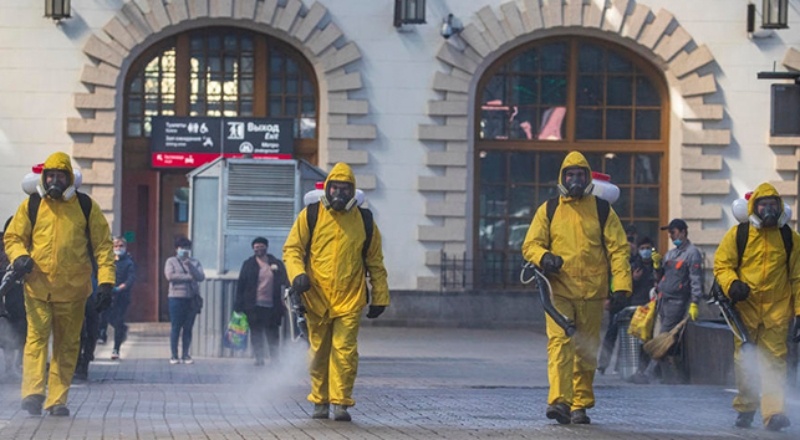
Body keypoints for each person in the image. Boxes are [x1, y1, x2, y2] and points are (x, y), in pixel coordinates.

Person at [522, 151, 632, 425]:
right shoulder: (549, 210)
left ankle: (579, 404)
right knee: (560, 344)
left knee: (586, 349)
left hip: (592, 294)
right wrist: (544, 258)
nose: (574, 180)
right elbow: (530, 244)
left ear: (587, 177)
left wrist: (621, 286)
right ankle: (559, 401)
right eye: (569, 175)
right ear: (562, 177)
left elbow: (618, 249)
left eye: (579, 175)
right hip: (558, 291)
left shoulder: (602, 210)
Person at [3, 152, 115, 417]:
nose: (54, 180)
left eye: (60, 176)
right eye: (50, 176)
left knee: (66, 346)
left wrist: (107, 282)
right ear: (44, 177)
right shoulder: (32, 205)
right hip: (37, 287)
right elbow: (13, 236)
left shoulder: (86, 206)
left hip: (74, 291)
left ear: (68, 179)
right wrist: (20, 257)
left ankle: (56, 400)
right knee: (36, 340)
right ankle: (33, 392)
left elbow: (103, 247)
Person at [283, 162, 390, 422]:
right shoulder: (311, 215)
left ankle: (341, 403)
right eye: (335, 188)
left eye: (345, 189)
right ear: (327, 189)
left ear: (352, 191)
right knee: (319, 352)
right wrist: (298, 275)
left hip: (350, 298)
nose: (339, 194)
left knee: (345, 351)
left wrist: (380, 297)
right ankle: (320, 401)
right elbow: (292, 250)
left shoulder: (364, 221)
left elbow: (375, 261)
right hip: (316, 298)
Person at [713, 182, 799, 431]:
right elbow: (722, 265)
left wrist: (799, 311)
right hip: (745, 308)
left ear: (780, 207)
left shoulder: (788, 238)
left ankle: (774, 413)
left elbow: (798, 277)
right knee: (745, 361)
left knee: (775, 361)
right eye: (764, 205)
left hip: (777, 310)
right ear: (754, 207)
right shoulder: (739, 234)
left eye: (773, 205)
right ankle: (746, 407)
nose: (769, 210)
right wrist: (733, 285)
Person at [597, 235, 660, 375]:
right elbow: (618, 282)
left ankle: (640, 369)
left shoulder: (656, 264)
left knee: (643, 338)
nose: (646, 251)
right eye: (643, 248)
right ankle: (605, 364)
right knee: (619, 335)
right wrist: (633, 279)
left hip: (649, 306)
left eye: (648, 248)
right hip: (627, 305)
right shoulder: (632, 264)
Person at [234, 237, 289, 366]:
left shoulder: (276, 263)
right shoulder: (248, 264)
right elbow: (241, 284)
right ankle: (259, 358)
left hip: (272, 305)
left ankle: (275, 358)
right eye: (256, 247)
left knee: (273, 333)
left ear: (266, 247)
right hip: (253, 305)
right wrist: (238, 305)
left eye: (261, 247)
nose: (259, 249)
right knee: (256, 332)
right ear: (253, 249)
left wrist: (277, 272)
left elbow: (285, 281)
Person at [164, 236, 205, 365]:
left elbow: (200, 277)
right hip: (176, 298)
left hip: (191, 298)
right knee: (176, 327)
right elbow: (170, 276)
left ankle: (186, 354)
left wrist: (190, 267)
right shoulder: (171, 261)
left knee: (188, 327)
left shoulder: (195, 262)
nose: (184, 250)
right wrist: (188, 277)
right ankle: (174, 355)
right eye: (182, 248)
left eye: (187, 248)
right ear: (176, 249)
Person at [107, 236, 136, 360]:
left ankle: (116, 349)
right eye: (116, 246)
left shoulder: (129, 262)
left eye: (120, 246)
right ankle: (123, 329)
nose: (118, 248)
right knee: (108, 318)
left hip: (122, 296)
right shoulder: (109, 261)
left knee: (118, 321)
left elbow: (130, 279)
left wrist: (121, 288)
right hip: (108, 295)